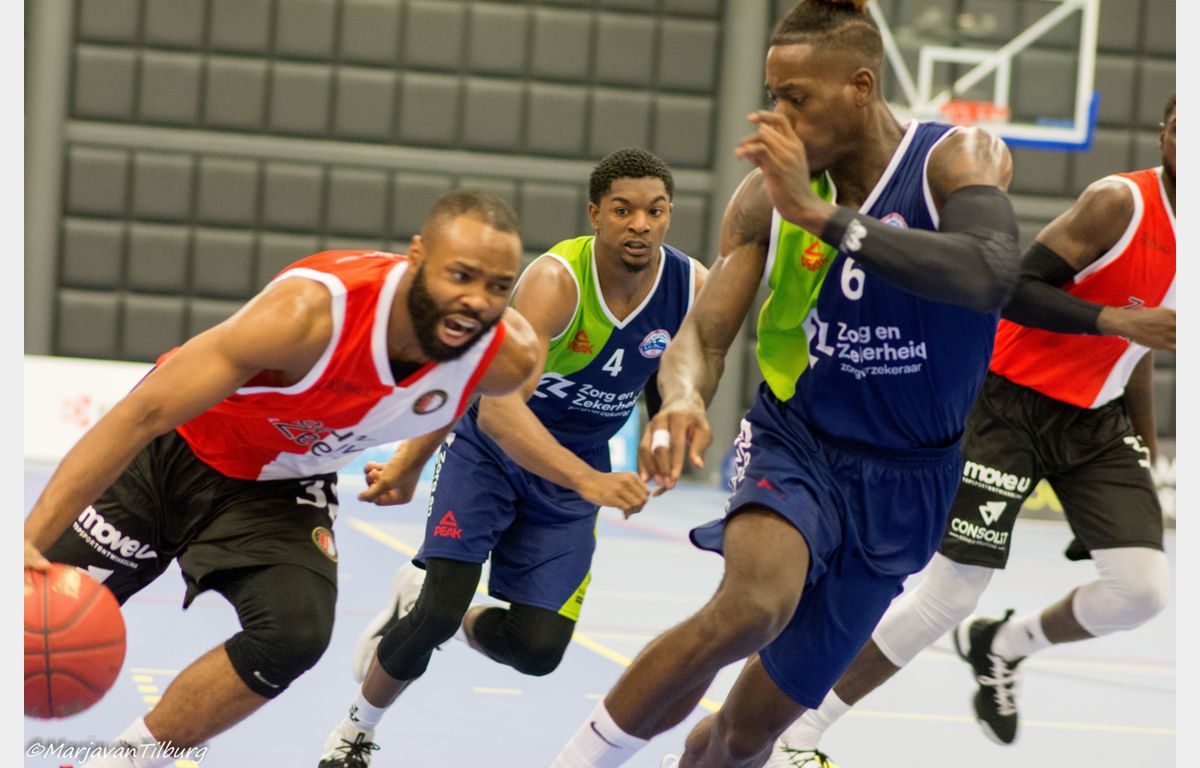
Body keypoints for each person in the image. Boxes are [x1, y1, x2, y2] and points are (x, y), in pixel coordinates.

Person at [551, 1, 1026, 766]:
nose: (780, 118)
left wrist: (825, 217)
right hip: (798, 442)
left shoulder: (954, 159)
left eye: (796, 98)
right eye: (774, 96)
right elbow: (704, 334)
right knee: (752, 606)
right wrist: (682, 397)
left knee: (746, 735)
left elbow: (991, 270)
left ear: (861, 87)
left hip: (909, 481)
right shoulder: (766, 197)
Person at [22, 190, 540, 768]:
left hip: (283, 480)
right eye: (461, 276)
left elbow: (458, 390)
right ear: (417, 257)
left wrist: (412, 461)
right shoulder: (309, 315)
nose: (478, 300)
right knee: (24, 618)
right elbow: (142, 414)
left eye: (499, 286)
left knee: (295, 633)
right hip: (179, 446)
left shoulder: (504, 356)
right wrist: (28, 539)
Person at [764, 93, 1177, 762]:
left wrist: (1145, 445)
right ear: (1163, 134)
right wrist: (1117, 321)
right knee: (951, 592)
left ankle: (1003, 645)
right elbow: (1011, 288)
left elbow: (1145, 340)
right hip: (1009, 401)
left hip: (1095, 420)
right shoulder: (1118, 203)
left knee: (1143, 590)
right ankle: (799, 729)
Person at [316, 148, 708, 767]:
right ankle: (353, 734)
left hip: (573, 465)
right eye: (623, 210)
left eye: (655, 211)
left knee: (537, 650)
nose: (641, 224)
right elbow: (497, 410)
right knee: (436, 613)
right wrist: (591, 481)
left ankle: (432, 607)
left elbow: (682, 372)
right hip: (491, 454)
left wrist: (668, 424)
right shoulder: (557, 281)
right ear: (595, 214)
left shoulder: (690, 285)